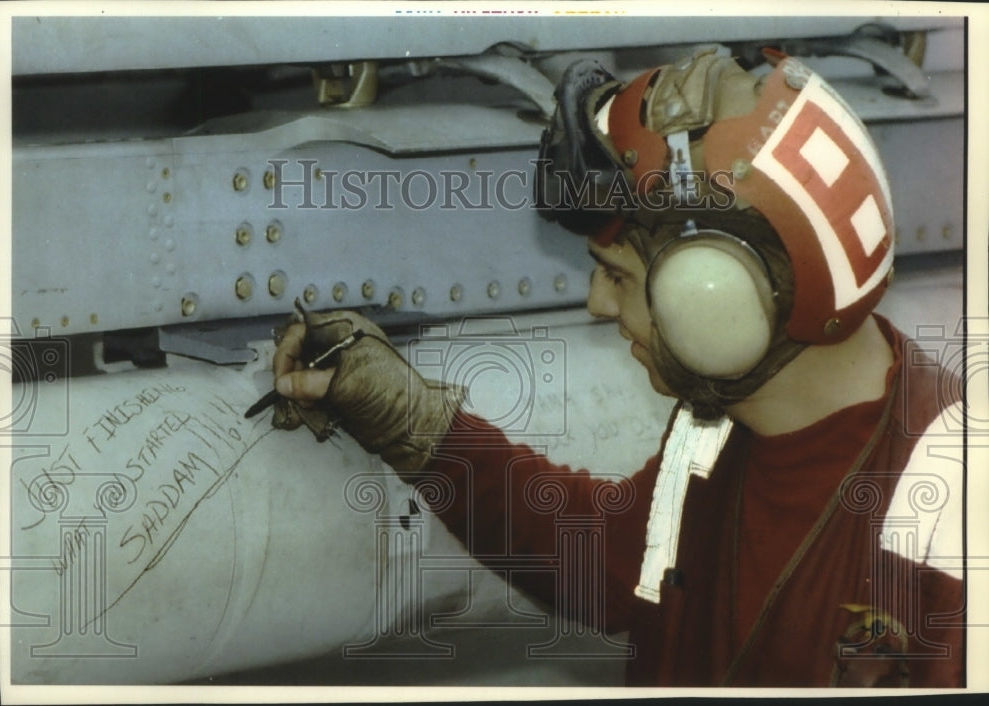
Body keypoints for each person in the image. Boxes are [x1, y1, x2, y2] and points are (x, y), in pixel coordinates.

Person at [270, 48, 964, 687]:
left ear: (719, 299)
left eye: (617, 277)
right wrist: (410, 420)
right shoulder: (718, 426)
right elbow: (607, 565)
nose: (599, 304)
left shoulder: (958, 523)